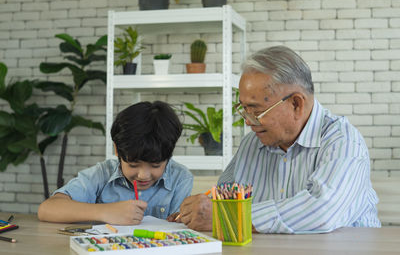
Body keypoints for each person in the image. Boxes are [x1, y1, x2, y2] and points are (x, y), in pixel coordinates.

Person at [171, 45, 380, 233]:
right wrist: (198, 211)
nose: (248, 121)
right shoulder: (252, 143)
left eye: (256, 110)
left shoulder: (343, 142)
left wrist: (228, 218)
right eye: (243, 109)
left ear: (296, 104)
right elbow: (223, 197)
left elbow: (321, 212)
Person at [38, 101, 193, 225]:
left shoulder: (180, 178)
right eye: (133, 165)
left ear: (168, 156)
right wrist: (106, 211)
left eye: (156, 165)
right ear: (117, 150)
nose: (143, 175)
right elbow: (47, 209)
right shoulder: (102, 174)